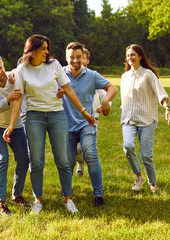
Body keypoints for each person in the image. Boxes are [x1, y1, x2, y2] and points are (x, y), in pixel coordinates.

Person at [3, 34, 95, 214]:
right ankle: (38, 200)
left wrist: (84, 111)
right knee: (36, 160)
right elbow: (18, 98)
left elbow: (67, 89)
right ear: (33, 50)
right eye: (43, 48)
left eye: (47, 48)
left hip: (56, 116)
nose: (47, 52)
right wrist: (11, 124)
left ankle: (68, 199)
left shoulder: (53, 65)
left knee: (62, 159)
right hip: (33, 117)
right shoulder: (22, 70)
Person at [63, 42, 118, 207]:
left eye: (78, 57)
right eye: (71, 57)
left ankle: (98, 195)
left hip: (87, 123)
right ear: (66, 58)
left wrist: (106, 101)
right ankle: (66, 192)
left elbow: (112, 88)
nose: (75, 60)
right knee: (68, 160)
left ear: (83, 58)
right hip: (65, 126)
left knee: (91, 155)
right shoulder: (59, 75)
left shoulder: (92, 75)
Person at [0, 52, 31, 216]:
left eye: (0, 67)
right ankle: (1, 203)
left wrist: (16, 71)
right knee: (2, 158)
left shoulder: (13, 77)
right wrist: (7, 99)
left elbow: (25, 71)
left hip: (16, 125)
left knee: (24, 158)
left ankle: (16, 195)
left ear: (4, 65)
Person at [121, 44, 170, 193]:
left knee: (145, 155)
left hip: (147, 119)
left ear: (140, 56)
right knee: (128, 146)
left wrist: (166, 108)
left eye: (133, 55)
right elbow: (125, 98)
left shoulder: (148, 74)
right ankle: (139, 176)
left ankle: (153, 183)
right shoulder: (124, 77)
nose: (130, 58)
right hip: (128, 119)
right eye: (128, 55)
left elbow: (160, 93)